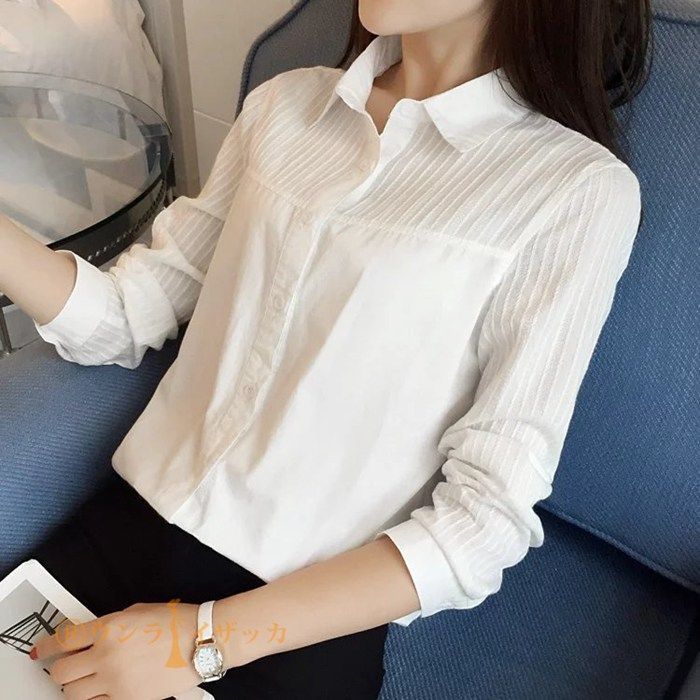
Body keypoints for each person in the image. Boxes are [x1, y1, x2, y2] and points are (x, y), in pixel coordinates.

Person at [0, 0, 652, 698]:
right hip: (124, 530)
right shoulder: (284, 106)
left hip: (289, 622)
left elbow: (483, 519)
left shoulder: (576, 190)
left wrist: (201, 642)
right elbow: (128, 315)